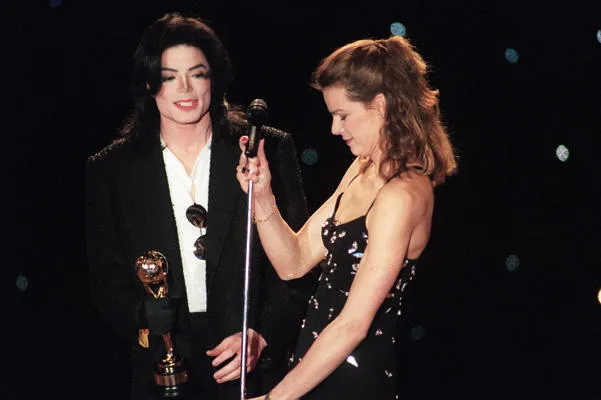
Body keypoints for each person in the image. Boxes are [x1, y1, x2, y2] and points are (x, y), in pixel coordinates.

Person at [85, 12, 313, 400]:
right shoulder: (112, 169)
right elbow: (105, 279)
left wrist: (264, 335)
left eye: (198, 74)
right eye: (169, 76)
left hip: (246, 366)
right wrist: (141, 315)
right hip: (165, 369)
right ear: (149, 84)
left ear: (214, 78)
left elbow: (299, 261)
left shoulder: (266, 148)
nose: (185, 88)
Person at [236, 35, 458, 399]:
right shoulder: (361, 168)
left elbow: (354, 324)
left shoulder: (402, 196)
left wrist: (275, 398)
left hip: (352, 383)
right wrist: (262, 196)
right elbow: (293, 262)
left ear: (381, 106)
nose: (334, 129)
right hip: (313, 369)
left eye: (343, 115)